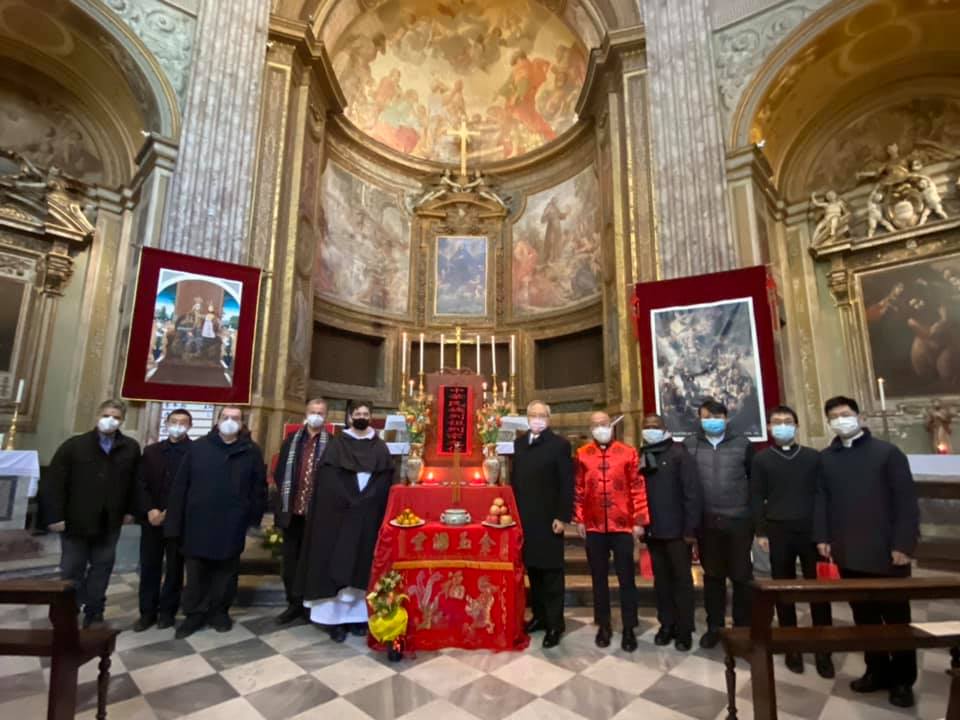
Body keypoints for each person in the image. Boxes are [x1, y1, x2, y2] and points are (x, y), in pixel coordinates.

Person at [815, 396, 920, 709]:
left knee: (897, 620)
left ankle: (902, 680)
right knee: (864, 618)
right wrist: (822, 536)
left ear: (859, 417)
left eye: (845, 414)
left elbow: (906, 502)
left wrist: (903, 544)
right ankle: (876, 670)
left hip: (887, 551)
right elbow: (822, 500)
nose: (841, 420)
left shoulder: (887, 453)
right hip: (848, 551)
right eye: (834, 417)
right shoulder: (826, 458)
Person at [295, 402, 394, 642]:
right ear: (350, 417)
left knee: (362, 563)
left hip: (368, 513)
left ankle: (359, 618)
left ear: (371, 417)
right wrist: (349, 498)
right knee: (336, 561)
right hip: (339, 514)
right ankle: (335, 621)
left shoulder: (379, 446)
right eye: (357, 413)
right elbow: (329, 478)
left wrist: (367, 498)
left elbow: (385, 479)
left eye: (366, 413)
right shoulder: (337, 444)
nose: (361, 417)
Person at [165, 406, 267, 639]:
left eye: (235, 418)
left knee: (226, 573)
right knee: (196, 573)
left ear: (242, 423)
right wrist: (175, 521)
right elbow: (181, 485)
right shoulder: (198, 447)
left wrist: (252, 517)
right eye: (226, 417)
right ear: (218, 420)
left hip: (232, 522)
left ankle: (219, 612)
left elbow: (258, 488)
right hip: (198, 521)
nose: (230, 421)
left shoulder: (251, 451)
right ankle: (194, 614)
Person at [42, 399, 140, 628]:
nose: (110, 420)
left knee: (102, 568)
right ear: (98, 416)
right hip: (76, 519)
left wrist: (130, 511)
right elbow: (54, 482)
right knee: (72, 568)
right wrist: (55, 516)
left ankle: (95, 610)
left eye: (116, 417)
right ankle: (68, 610)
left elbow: (135, 483)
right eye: (106, 415)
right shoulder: (74, 445)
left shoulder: (130, 447)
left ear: (122, 421)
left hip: (110, 520)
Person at [752, 405, 834, 677]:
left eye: (787, 421)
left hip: (811, 532)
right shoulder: (761, 459)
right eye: (777, 422)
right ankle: (790, 647)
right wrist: (761, 531)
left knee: (817, 591)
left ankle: (823, 649)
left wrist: (824, 533)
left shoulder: (813, 457)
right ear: (769, 427)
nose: (782, 426)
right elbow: (756, 497)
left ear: (796, 426)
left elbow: (822, 496)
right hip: (778, 530)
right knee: (783, 590)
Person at [684, 398, 755, 648]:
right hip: (706, 521)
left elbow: (753, 481)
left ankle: (742, 626)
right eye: (707, 417)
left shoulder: (743, 444)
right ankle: (715, 626)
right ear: (700, 419)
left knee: (741, 576)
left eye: (717, 417)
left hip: (738, 520)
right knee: (713, 576)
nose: (712, 421)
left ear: (725, 418)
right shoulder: (690, 444)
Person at [573, 411, 648, 651]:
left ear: (612, 425)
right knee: (599, 578)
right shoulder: (582, 454)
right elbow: (579, 489)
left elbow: (637, 487)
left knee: (627, 578)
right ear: (590, 428)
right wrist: (579, 519)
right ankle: (603, 625)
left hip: (623, 525)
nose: (600, 428)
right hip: (594, 526)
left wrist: (639, 520)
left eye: (603, 423)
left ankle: (629, 627)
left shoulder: (628, 452)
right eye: (595, 424)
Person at [512, 400, 573, 648]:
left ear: (548, 418)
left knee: (551, 573)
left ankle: (555, 624)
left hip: (550, 519)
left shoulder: (560, 445)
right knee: (534, 571)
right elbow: (515, 480)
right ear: (527, 418)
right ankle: (539, 616)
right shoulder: (519, 445)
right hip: (526, 518)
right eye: (532, 415)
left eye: (541, 415)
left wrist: (562, 516)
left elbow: (566, 483)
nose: (537, 419)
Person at [640, 413, 701, 652]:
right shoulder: (643, 454)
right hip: (653, 531)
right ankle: (667, 625)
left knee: (682, 581)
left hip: (678, 532)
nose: (650, 429)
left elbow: (691, 493)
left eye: (655, 426)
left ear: (665, 428)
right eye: (647, 426)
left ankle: (684, 629)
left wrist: (690, 530)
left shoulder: (679, 454)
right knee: (662, 582)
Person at [133, 408, 192, 632]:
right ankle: (147, 612)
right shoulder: (151, 451)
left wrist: (170, 512)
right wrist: (150, 509)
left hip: (178, 520)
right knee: (149, 567)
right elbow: (140, 484)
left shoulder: (195, 452)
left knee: (175, 569)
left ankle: (167, 612)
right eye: (174, 421)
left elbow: (193, 487)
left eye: (183, 422)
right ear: (167, 423)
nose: (178, 425)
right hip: (152, 519)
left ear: (189, 426)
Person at [273, 398, 330, 625]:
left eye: (320, 412)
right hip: (293, 511)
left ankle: (310, 604)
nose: (316, 415)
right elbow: (280, 472)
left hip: (317, 514)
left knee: (312, 561)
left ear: (326, 416)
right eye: (313, 411)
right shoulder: (291, 441)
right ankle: (293, 603)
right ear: (305, 414)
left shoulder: (333, 444)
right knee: (291, 561)